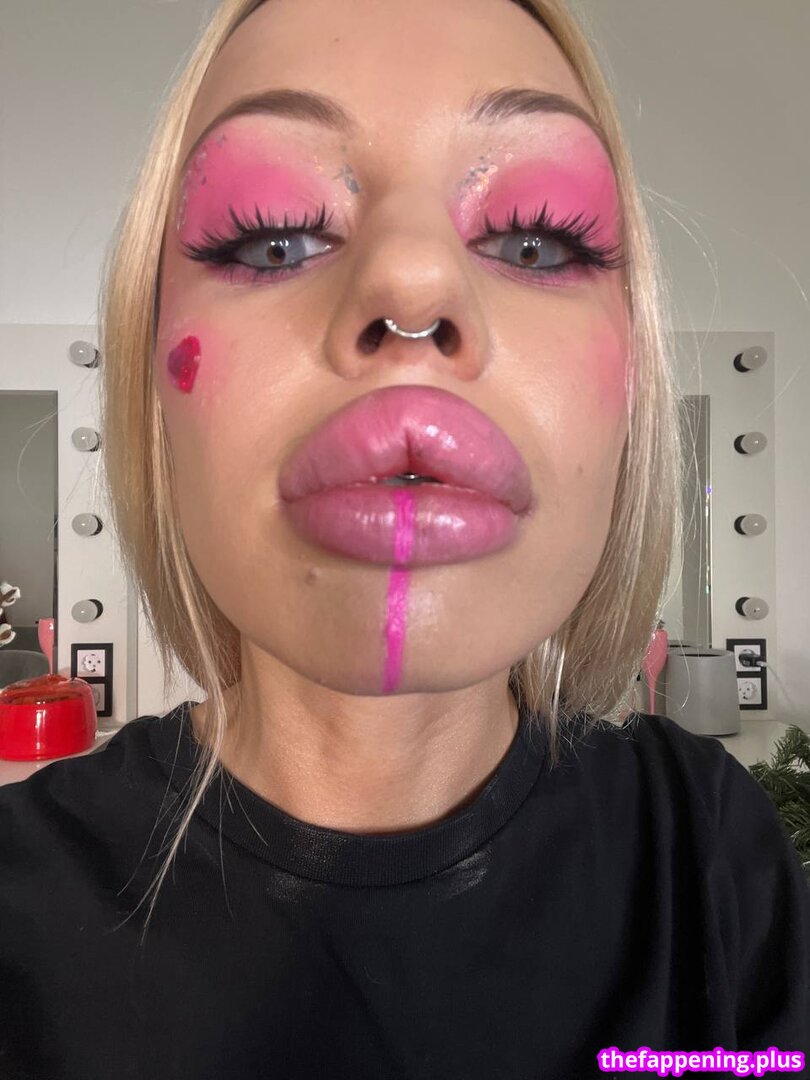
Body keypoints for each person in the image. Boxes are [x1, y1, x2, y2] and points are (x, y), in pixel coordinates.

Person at [1, 0, 808, 1077]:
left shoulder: (711, 854)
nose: (413, 287)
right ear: (151, 371)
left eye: (536, 238)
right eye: (274, 235)